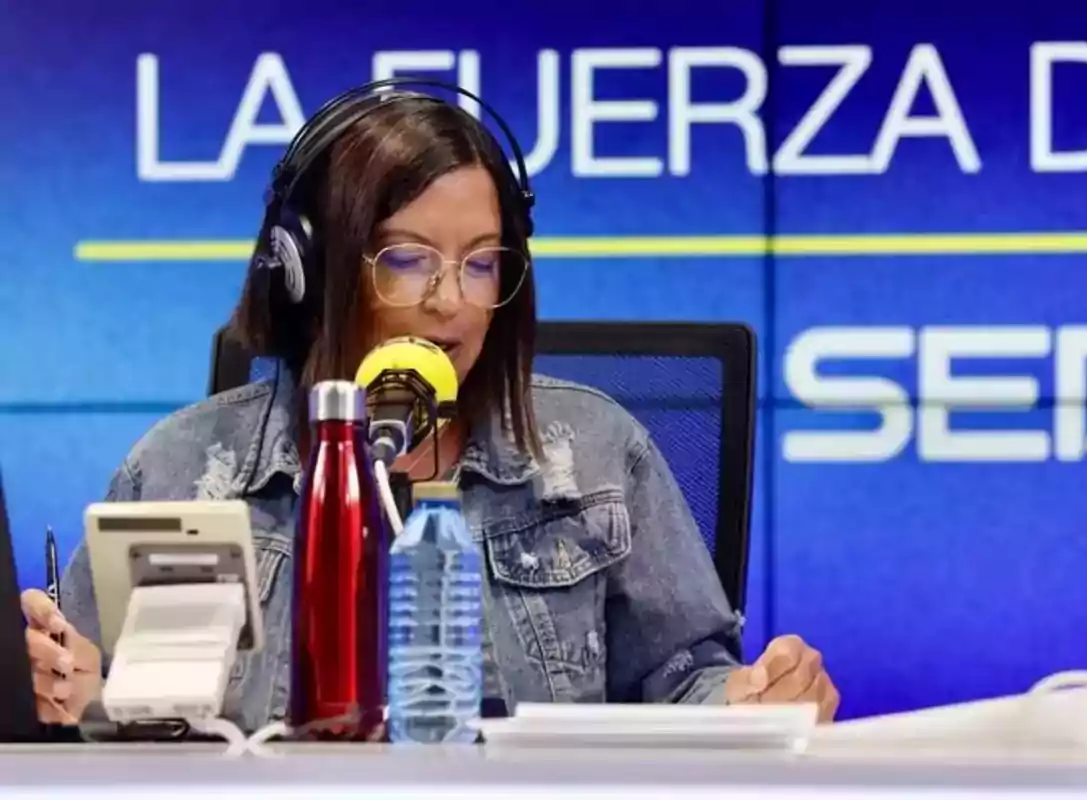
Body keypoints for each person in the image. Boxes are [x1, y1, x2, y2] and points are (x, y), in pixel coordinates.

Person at [20, 83, 839, 733]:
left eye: (483, 264)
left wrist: (756, 697)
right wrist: (69, 694)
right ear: (309, 272)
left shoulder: (594, 455)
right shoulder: (180, 471)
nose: (453, 302)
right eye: (409, 260)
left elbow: (681, 685)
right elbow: (102, 716)